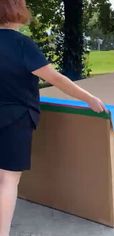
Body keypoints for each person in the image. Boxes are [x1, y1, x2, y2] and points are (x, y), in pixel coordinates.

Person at [0, 1, 107, 235]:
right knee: (7, 180)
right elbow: (56, 79)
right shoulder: (22, 45)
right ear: (18, 11)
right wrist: (88, 98)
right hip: (14, 120)